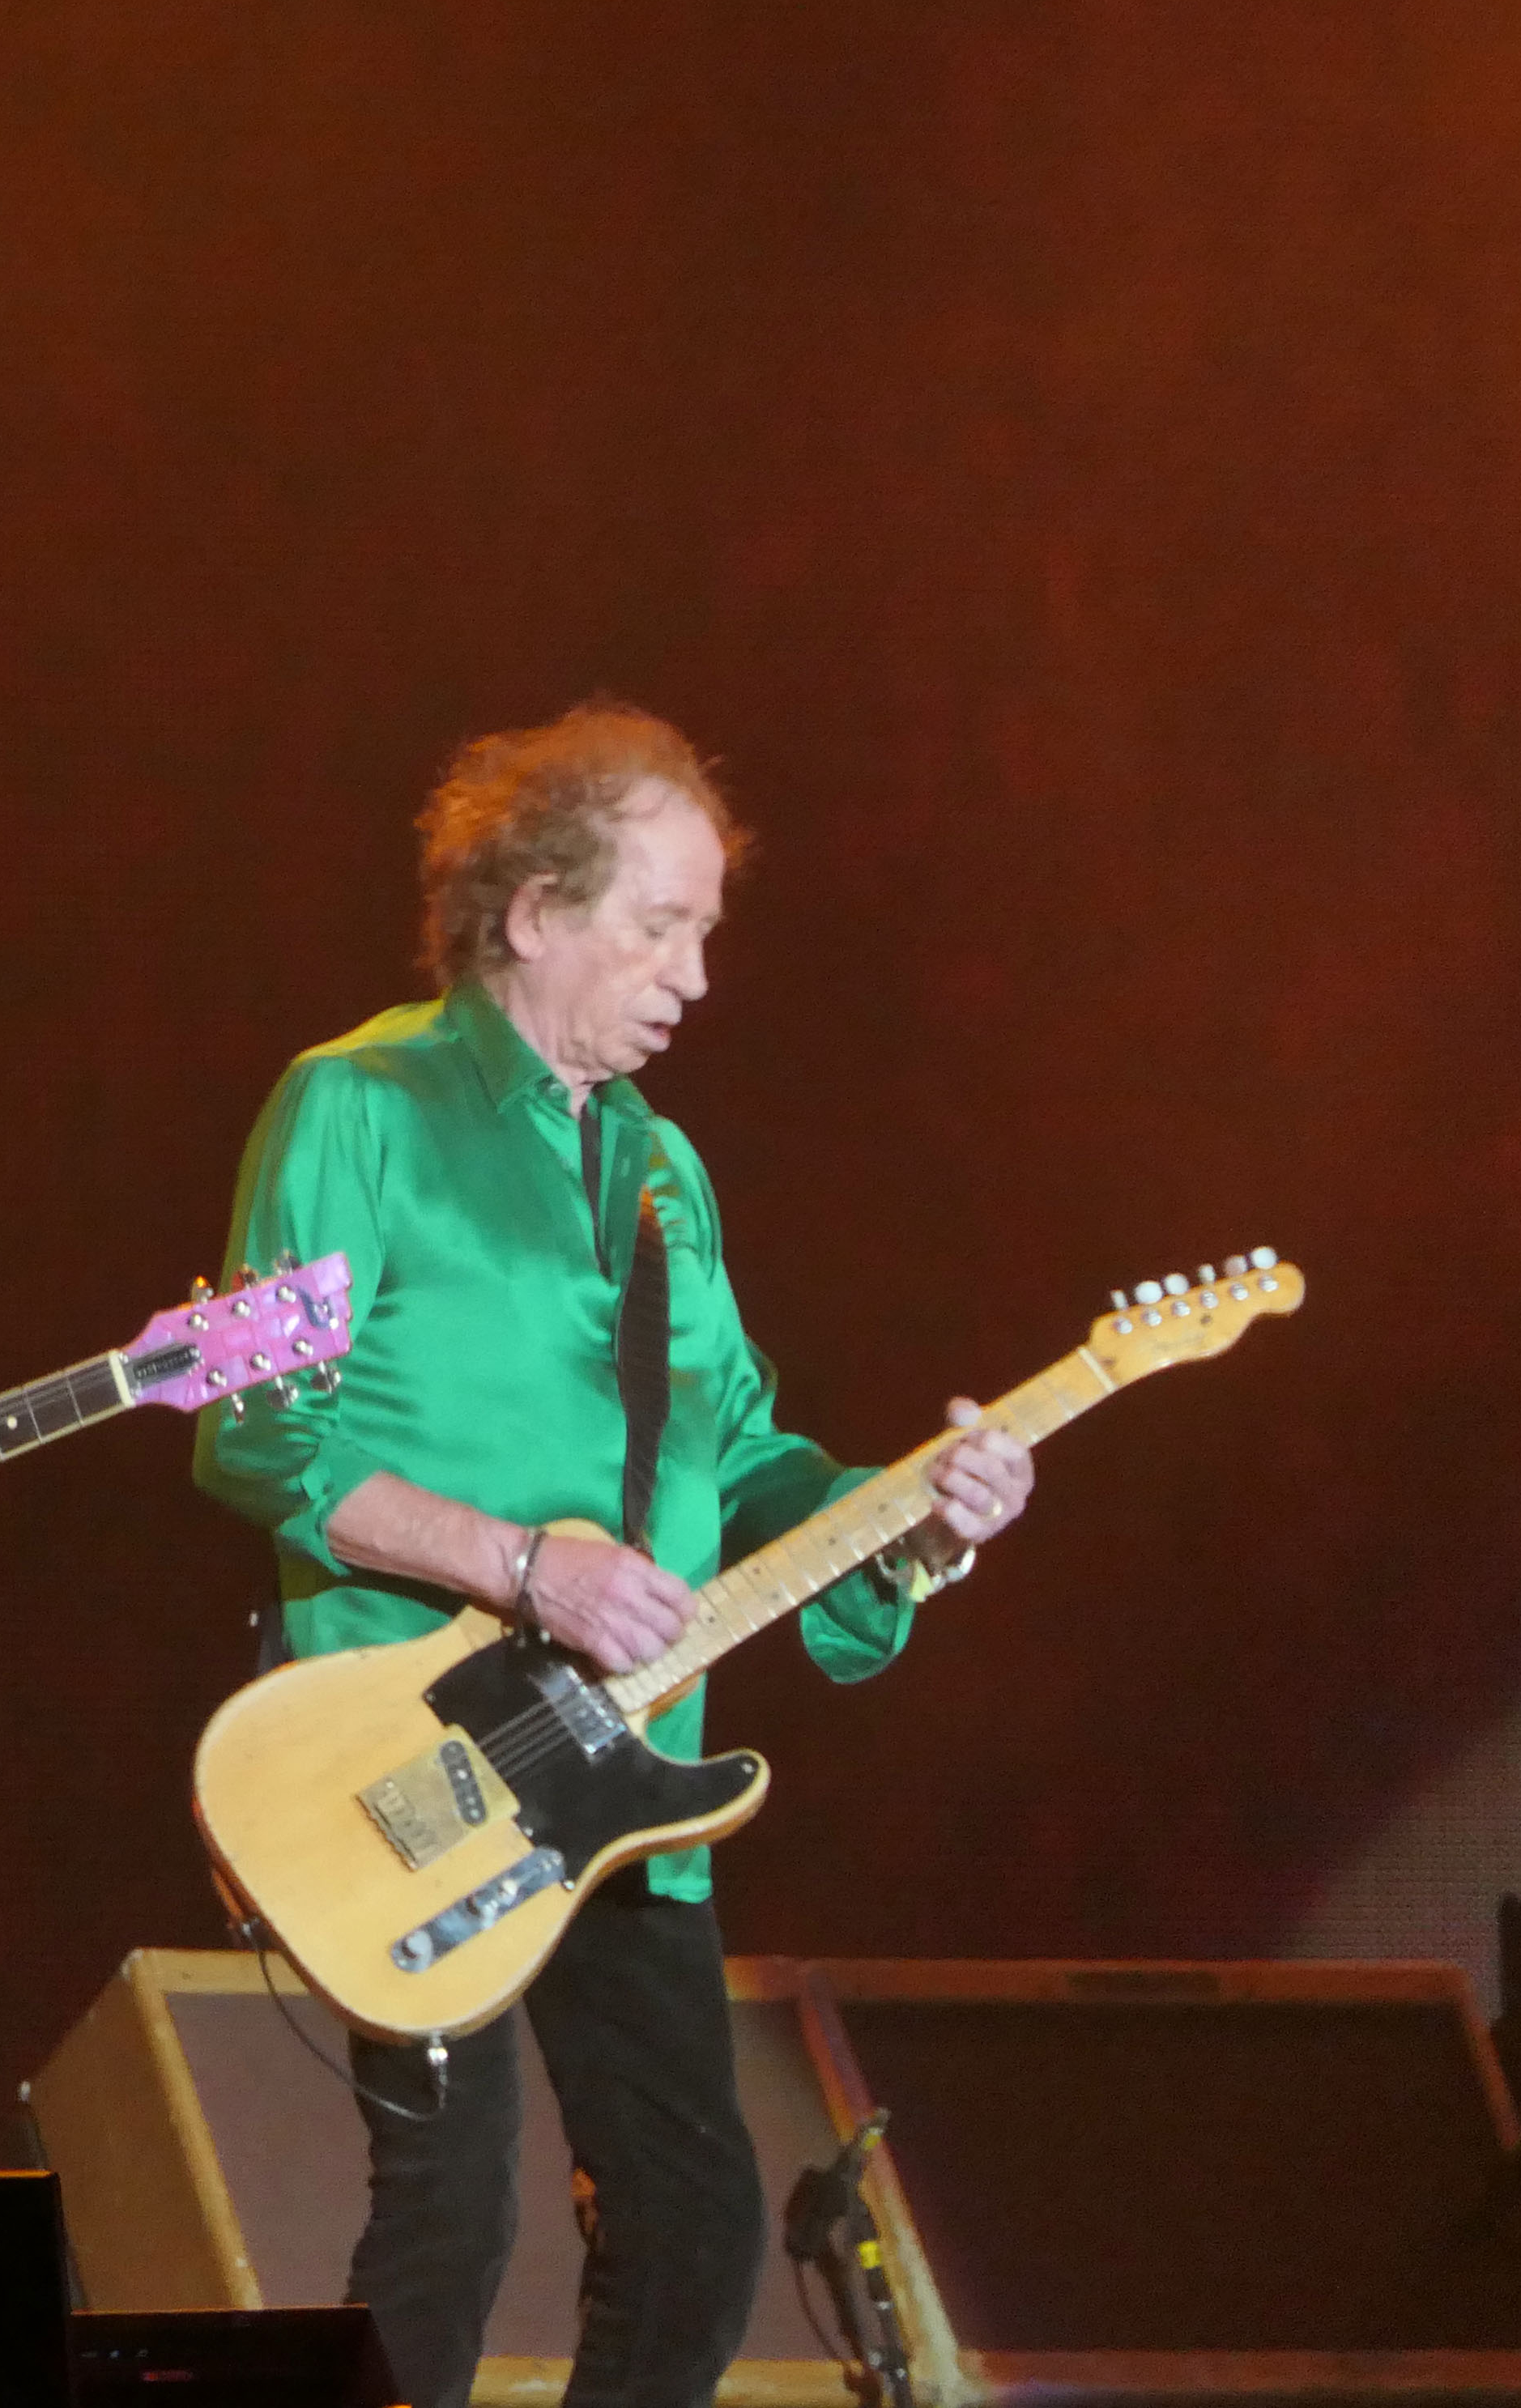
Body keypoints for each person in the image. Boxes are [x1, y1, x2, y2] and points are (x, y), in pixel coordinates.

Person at [195, 703, 1033, 2408]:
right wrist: (526, 1567)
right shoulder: (356, 1103)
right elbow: (257, 1433)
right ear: (532, 912)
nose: (695, 976)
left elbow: (742, 1454)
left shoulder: (664, 1172)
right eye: (660, 926)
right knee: (448, 2220)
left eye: (706, 931)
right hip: (407, 1752)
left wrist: (915, 1513)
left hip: (626, 1765)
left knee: (697, 2223)